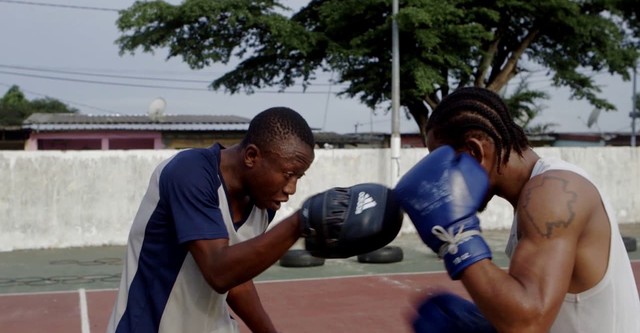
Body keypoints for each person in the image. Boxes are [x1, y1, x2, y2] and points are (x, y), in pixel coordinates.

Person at [106, 106, 403, 333]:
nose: (291, 189)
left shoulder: (261, 201)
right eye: (288, 174)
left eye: (298, 177)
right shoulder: (190, 172)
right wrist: (300, 222)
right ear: (251, 156)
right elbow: (218, 271)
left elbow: (237, 281)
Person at [394, 87, 640, 332]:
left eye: (445, 164)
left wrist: (457, 238)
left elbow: (528, 324)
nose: (441, 180)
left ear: (475, 151)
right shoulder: (535, 195)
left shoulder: (552, 192)